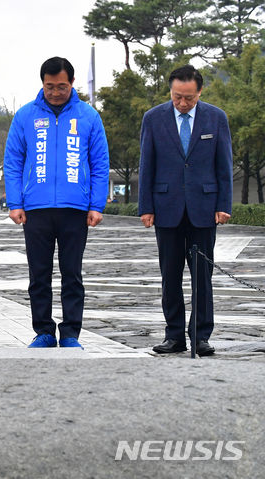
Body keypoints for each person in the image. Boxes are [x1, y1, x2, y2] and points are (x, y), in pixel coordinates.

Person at [3, 56, 110, 349]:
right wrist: (15, 203)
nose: (55, 92)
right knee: (39, 274)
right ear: (42, 84)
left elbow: (100, 163)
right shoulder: (25, 116)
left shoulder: (88, 116)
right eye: (49, 87)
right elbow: (12, 162)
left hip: (75, 209)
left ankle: (72, 333)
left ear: (72, 83)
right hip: (35, 209)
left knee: (72, 274)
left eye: (61, 87)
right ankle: (44, 331)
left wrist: (96, 205)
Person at [138, 65, 233, 357]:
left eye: (188, 98)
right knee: (170, 275)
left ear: (199, 92)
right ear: (171, 91)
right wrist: (146, 207)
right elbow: (147, 165)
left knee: (202, 275)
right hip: (166, 208)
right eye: (177, 97)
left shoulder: (216, 118)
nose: (182, 103)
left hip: (204, 208)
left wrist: (223, 205)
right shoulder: (153, 118)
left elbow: (224, 165)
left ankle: (200, 336)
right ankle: (174, 335)